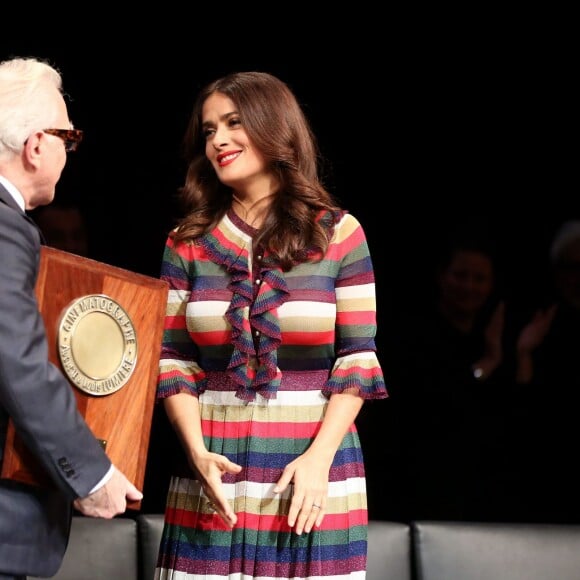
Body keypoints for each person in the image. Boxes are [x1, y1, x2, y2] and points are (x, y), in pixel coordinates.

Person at [153, 71, 387, 579]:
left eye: (233, 123)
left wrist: (319, 459)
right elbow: (172, 360)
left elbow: (357, 360)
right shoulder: (186, 241)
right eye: (209, 129)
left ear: (273, 125)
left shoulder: (339, 233)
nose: (218, 140)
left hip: (310, 471)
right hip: (212, 470)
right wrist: (194, 451)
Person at [0, 56, 142, 579]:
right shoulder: (4, 225)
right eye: (68, 139)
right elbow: (15, 361)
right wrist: (92, 473)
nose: (69, 153)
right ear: (37, 145)